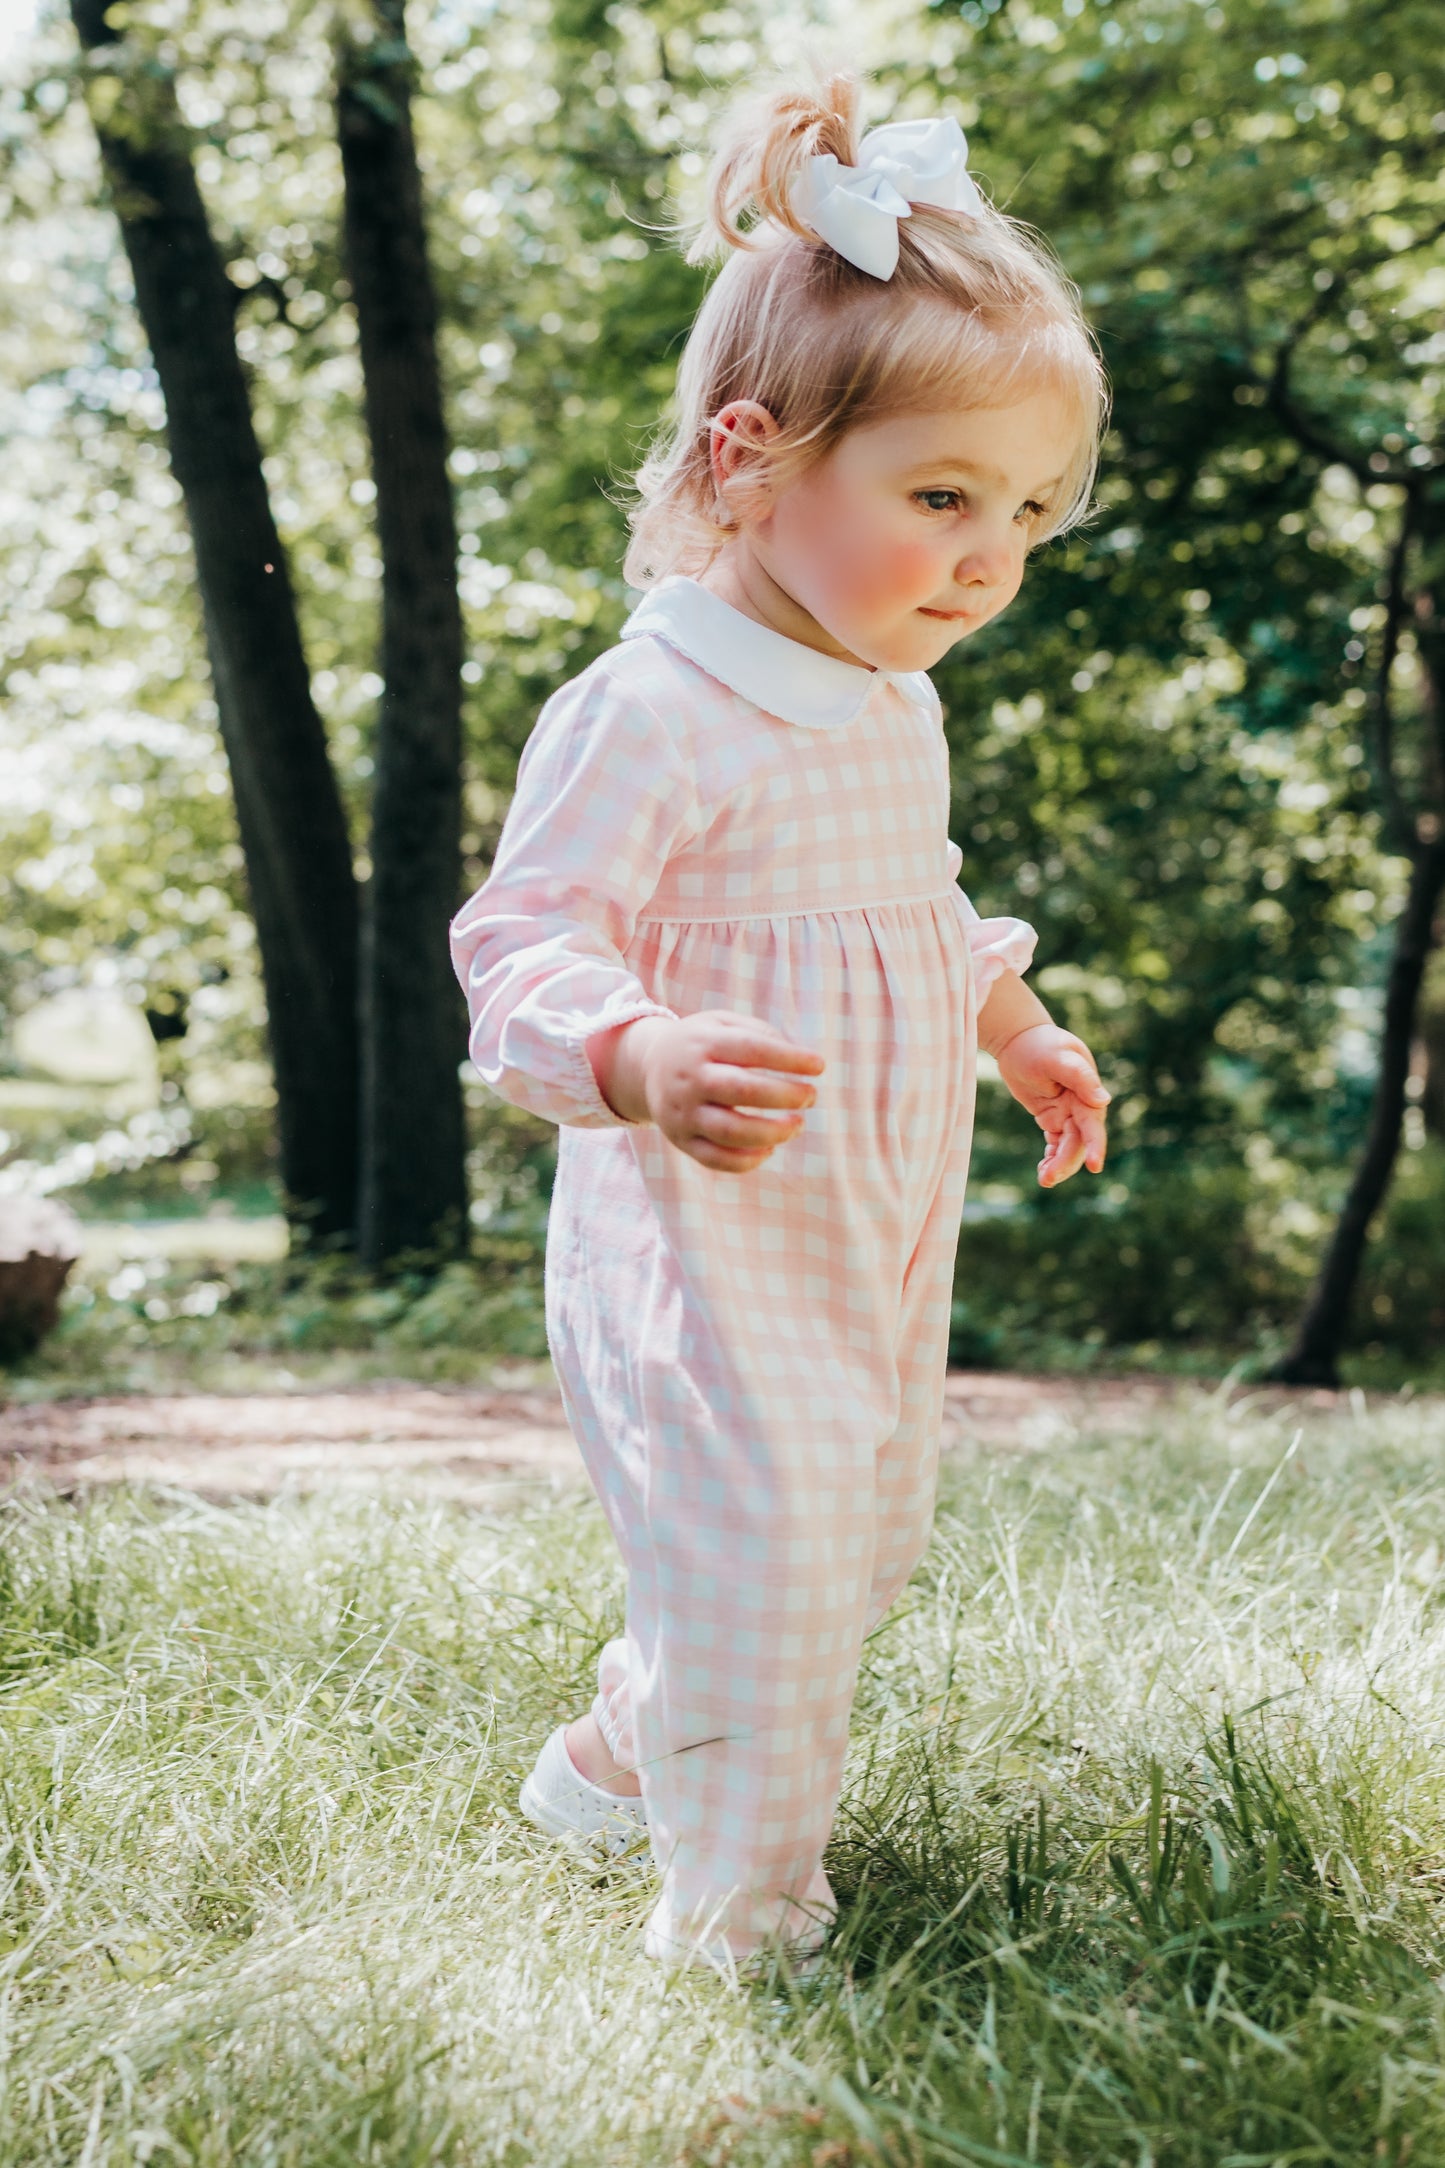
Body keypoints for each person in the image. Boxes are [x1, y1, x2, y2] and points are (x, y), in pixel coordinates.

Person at [450, 65, 1111, 1971]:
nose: (988, 557)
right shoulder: (650, 710)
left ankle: (613, 1760)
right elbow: (524, 936)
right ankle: (744, 1925)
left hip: (876, 1226)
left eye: (1024, 510)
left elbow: (906, 893)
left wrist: (1009, 1015)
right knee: (769, 1556)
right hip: (708, 1243)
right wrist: (634, 1053)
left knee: (859, 1540)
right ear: (748, 462)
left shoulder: (886, 692)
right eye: (938, 497)